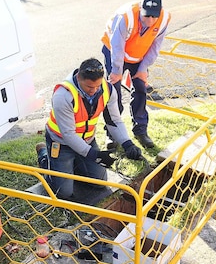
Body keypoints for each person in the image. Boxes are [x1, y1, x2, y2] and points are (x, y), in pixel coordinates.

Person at [38, 58, 142, 200]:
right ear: (78, 78)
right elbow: (68, 134)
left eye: (97, 86)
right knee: (62, 194)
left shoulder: (108, 89)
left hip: (87, 141)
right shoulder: (63, 95)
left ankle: (74, 164)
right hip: (61, 144)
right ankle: (45, 156)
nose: (93, 91)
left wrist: (127, 143)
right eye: (89, 87)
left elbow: (114, 120)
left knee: (99, 183)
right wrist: (93, 155)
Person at [100, 0, 170, 149]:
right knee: (113, 93)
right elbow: (117, 47)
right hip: (115, 52)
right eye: (146, 16)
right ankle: (112, 133)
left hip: (139, 56)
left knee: (140, 88)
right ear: (141, 8)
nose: (150, 21)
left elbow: (155, 46)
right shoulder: (125, 16)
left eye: (154, 17)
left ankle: (140, 130)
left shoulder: (164, 19)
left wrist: (143, 68)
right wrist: (117, 71)